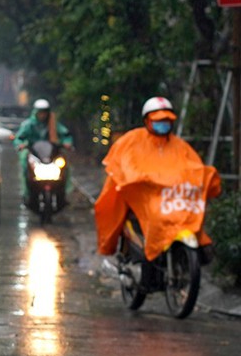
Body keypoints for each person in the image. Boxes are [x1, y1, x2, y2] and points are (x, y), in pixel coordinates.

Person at [94, 96, 220, 269]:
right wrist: (139, 178)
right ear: (147, 120)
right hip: (144, 196)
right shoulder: (133, 140)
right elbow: (126, 165)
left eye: (167, 120)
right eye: (158, 120)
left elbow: (194, 167)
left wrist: (205, 177)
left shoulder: (180, 146)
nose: (163, 124)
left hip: (170, 199)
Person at [12, 98, 74, 203]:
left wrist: (67, 143)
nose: (42, 115)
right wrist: (21, 145)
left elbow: (65, 135)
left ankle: (64, 193)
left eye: (44, 112)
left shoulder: (53, 124)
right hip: (34, 153)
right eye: (40, 112)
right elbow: (19, 137)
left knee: (65, 166)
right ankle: (27, 192)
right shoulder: (29, 125)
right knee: (24, 164)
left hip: (51, 153)